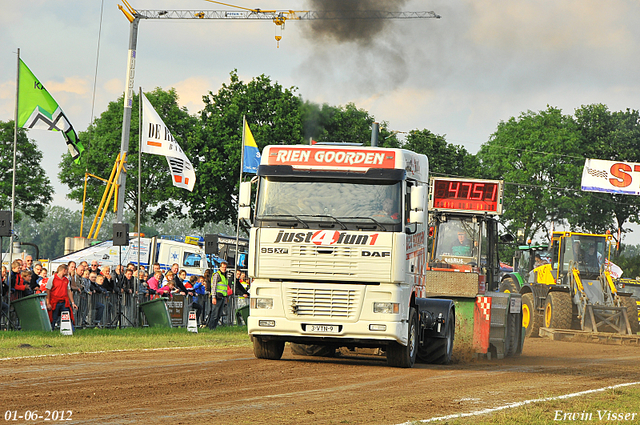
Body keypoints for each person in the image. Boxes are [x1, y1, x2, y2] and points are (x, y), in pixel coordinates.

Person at [46, 264, 76, 330]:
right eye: (67, 270)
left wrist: (73, 302)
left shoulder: (66, 279)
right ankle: (51, 330)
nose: (68, 272)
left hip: (64, 302)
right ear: (64, 270)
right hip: (54, 302)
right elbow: (48, 290)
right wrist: (48, 303)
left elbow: (69, 291)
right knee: (53, 318)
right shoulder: (52, 278)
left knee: (67, 316)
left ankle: (70, 330)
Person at [208, 261, 230, 330]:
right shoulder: (217, 275)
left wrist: (226, 297)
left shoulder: (225, 275)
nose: (224, 269)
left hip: (222, 297)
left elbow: (225, 287)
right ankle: (211, 328)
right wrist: (213, 297)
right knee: (214, 314)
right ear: (220, 267)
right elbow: (214, 286)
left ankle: (214, 327)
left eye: (225, 267)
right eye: (223, 267)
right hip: (217, 297)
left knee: (219, 314)